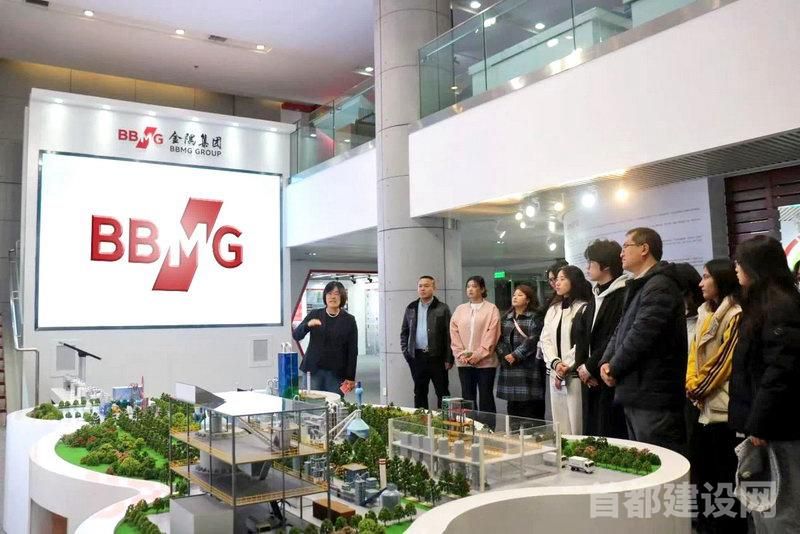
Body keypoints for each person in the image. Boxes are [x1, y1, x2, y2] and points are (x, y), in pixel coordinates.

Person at [729, 236, 800, 532]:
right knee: (762, 504)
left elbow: (780, 371)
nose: (736, 268)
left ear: (756, 266)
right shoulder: (761, 304)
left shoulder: (780, 306)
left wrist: (760, 423)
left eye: (740, 262)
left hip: (779, 427)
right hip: (764, 423)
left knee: (782, 507)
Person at [599, 227, 687, 454]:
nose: (621, 253)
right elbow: (621, 329)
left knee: (659, 461)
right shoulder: (641, 284)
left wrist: (614, 367)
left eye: (626, 246)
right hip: (636, 391)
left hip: (654, 395)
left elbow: (642, 335)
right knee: (643, 461)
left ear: (644, 249)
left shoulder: (660, 285)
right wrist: (606, 362)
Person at [685, 259, 745, 534]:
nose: (701, 283)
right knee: (704, 476)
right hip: (702, 406)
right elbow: (694, 356)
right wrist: (692, 384)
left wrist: (698, 387)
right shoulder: (704, 312)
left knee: (725, 478)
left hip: (723, 408)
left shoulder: (736, 314)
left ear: (722, 279)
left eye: (707, 277)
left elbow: (724, 362)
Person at [577, 239, 629, 439]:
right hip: (589, 376)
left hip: (608, 373)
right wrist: (582, 367)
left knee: (610, 431)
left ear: (606, 266)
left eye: (591, 263)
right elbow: (583, 336)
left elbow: (613, 336)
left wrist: (590, 366)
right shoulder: (595, 295)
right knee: (591, 430)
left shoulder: (623, 294)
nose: (587, 268)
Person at [541, 265, 591, 435]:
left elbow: (583, 342)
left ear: (574, 281)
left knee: (576, 421)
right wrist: (555, 363)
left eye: (562, 279)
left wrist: (566, 366)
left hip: (574, 374)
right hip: (555, 372)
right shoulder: (553, 309)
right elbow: (545, 339)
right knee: (559, 421)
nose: (557, 283)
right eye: (556, 279)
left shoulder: (584, 307)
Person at [292, 281, 358, 395]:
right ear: (325, 296)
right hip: (313, 370)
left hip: (336, 373)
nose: (332, 297)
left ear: (342, 297)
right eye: (329, 293)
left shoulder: (349, 320)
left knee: (334, 403)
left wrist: (350, 376)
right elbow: (296, 335)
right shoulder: (315, 314)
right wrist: (307, 325)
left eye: (336, 294)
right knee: (310, 402)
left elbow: (352, 350)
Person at [450, 275, 501, 418]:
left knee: (486, 395)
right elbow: (454, 332)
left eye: (474, 286)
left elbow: (492, 334)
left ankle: (488, 427)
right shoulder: (460, 309)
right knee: (467, 397)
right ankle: (470, 425)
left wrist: (478, 355)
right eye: (468, 286)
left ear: (482, 289)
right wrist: (460, 353)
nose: (470, 289)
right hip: (464, 362)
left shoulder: (491, 309)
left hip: (486, 362)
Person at [400, 275, 454, 409]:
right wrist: (407, 353)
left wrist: (449, 358)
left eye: (426, 286)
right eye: (420, 286)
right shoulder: (411, 307)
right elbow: (404, 332)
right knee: (419, 392)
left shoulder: (442, 308)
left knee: (442, 392)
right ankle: (421, 420)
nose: (422, 289)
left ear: (434, 288)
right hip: (417, 357)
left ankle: (444, 420)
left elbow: (449, 335)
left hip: (437, 357)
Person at [495, 284, 546, 421]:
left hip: (528, 366)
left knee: (530, 406)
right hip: (509, 366)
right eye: (514, 295)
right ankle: (514, 431)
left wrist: (516, 355)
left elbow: (534, 339)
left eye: (520, 295)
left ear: (528, 299)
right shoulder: (506, 318)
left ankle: (531, 430)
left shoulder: (535, 317)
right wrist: (505, 355)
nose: (515, 297)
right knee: (512, 406)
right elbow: (498, 339)